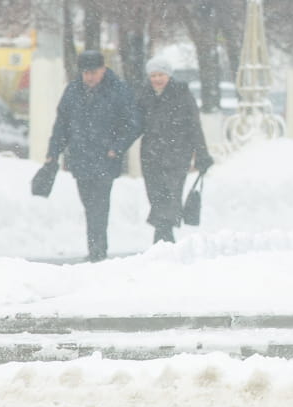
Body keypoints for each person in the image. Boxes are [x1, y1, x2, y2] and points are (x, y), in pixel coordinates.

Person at [46, 50, 142, 262]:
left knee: (99, 204)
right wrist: (53, 153)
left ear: (103, 69)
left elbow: (133, 123)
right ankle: (96, 247)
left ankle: (97, 251)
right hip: (80, 157)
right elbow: (62, 125)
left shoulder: (117, 90)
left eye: (93, 72)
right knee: (89, 204)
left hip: (106, 158)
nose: (89, 77)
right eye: (85, 72)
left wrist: (116, 148)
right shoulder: (73, 91)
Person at [138, 56, 214, 244]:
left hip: (177, 153)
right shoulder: (143, 95)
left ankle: (163, 236)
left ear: (169, 75)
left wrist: (202, 154)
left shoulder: (181, 93)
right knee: (155, 194)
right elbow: (133, 123)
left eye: (161, 75)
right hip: (151, 155)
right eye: (153, 75)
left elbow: (194, 125)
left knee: (170, 193)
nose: (157, 79)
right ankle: (164, 233)